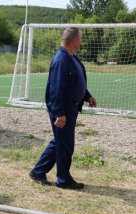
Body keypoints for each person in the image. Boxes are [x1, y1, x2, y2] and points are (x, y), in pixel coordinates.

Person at [29, 27, 97, 190]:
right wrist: (59, 113)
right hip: (63, 109)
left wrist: (87, 96)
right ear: (74, 40)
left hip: (71, 108)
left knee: (60, 141)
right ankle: (63, 179)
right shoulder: (61, 59)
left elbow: (74, 82)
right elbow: (56, 89)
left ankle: (38, 171)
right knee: (65, 143)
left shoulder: (71, 58)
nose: (80, 41)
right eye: (79, 39)